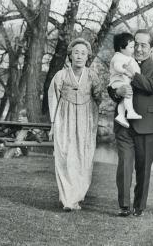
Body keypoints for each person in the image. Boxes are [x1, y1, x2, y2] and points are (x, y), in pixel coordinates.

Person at [107, 29, 153, 217]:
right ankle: (124, 205)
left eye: (144, 45)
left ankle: (139, 207)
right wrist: (118, 93)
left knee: (143, 169)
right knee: (124, 165)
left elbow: (152, 87)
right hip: (123, 124)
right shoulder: (120, 60)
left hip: (146, 125)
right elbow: (111, 87)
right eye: (136, 44)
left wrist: (134, 74)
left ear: (152, 48)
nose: (139, 49)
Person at [48, 38, 103, 212]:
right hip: (65, 118)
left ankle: (77, 196)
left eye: (83, 53)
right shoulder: (61, 75)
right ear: (70, 55)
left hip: (85, 120)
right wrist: (53, 123)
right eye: (76, 53)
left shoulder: (93, 76)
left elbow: (98, 97)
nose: (79, 56)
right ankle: (67, 200)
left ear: (88, 57)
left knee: (83, 158)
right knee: (65, 157)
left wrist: (93, 117)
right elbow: (53, 98)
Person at [109, 32, 142, 128]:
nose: (133, 49)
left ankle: (121, 116)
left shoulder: (127, 57)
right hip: (118, 82)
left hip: (122, 82)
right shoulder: (118, 56)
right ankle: (130, 112)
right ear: (121, 48)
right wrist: (125, 72)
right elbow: (117, 67)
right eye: (131, 47)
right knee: (128, 93)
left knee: (123, 101)